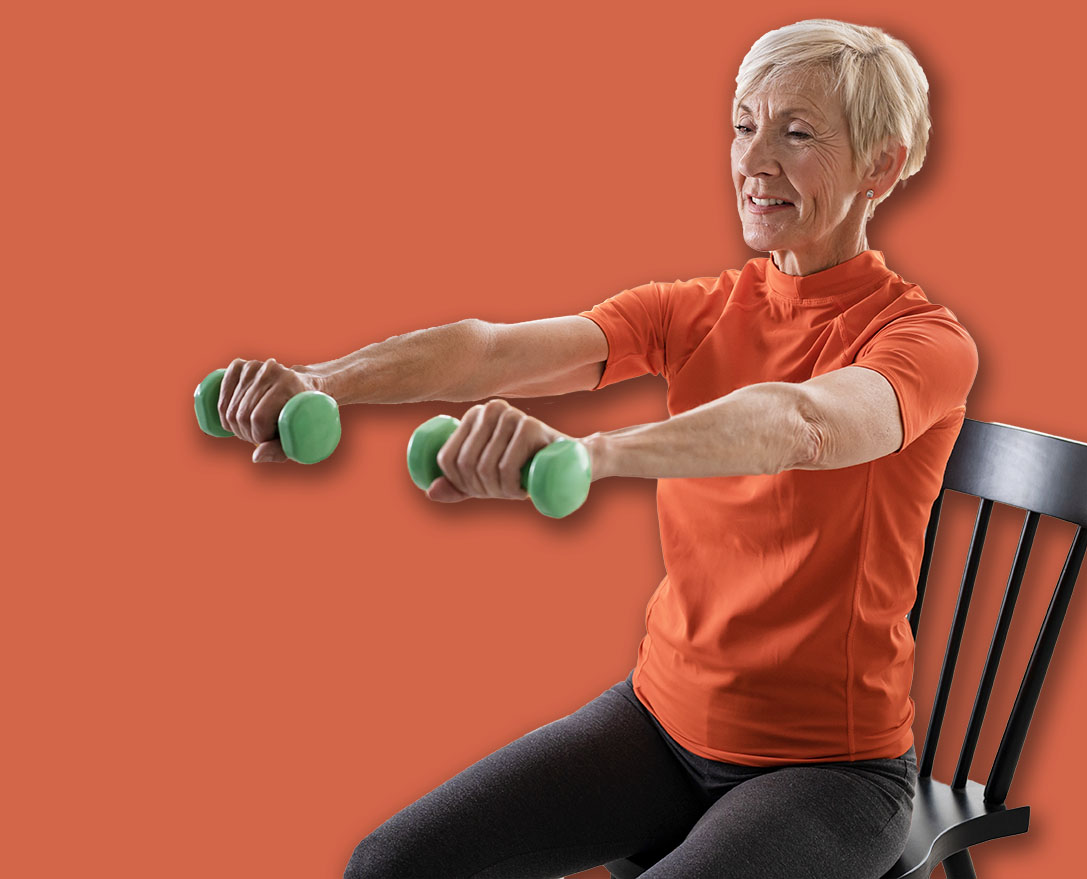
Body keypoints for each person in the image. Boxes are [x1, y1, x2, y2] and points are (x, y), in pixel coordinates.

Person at [216, 19, 977, 879]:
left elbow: (806, 422)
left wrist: (593, 456)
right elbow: (494, 351)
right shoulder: (699, 308)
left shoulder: (920, 340)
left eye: (796, 133)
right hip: (659, 720)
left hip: (830, 771)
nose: (753, 158)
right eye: (742, 124)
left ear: (882, 164)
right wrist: (325, 380)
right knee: (389, 865)